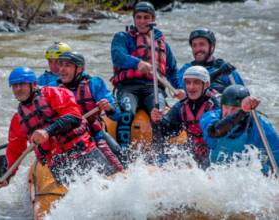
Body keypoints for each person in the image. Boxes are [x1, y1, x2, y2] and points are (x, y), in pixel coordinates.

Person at [0, 66, 115, 190]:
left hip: (83, 152)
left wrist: (47, 131)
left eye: (22, 84)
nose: (18, 89)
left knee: (108, 187)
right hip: (59, 164)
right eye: (14, 86)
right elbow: (14, 150)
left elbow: (74, 118)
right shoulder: (17, 120)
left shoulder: (55, 93)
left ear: (33, 84)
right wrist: (4, 176)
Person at [110, 1, 179, 152]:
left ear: (153, 19)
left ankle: (160, 153)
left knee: (159, 115)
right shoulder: (123, 38)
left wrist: (179, 88)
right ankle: (124, 153)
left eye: (146, 17)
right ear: (134, 19)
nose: (142, 21)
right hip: (129, 87)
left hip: (152, 88)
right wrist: (137, 63)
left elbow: (172, 70)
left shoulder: (162, 44)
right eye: (139, 17)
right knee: (127, 114)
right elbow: (118, 56)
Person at [57, 51, 124, 171]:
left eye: (67, 65)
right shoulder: (53, 89)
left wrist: (109, 107)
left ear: (79, 69)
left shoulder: (94, 84)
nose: (62, 69)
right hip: (67, 138)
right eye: (60, 65)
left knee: (121, 155)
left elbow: (117, 115)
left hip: (94, 132)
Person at [151, 66, 219, 168]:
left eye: (196, 82)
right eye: (188, 83)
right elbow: (165, 131)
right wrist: (157, 120)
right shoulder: (181, 106)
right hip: (193, 153)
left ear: (206, 85)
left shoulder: (215, 105)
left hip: (213, 154)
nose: (191, 87)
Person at [200, 85, 279, 173]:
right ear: (221, 106)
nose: (229, 113)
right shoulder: (209, 117)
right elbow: (216, 131)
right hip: (209, 169)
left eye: (234, 109)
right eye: (226, 107)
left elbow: (276, 158)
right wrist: (242, 112)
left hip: (244, 176)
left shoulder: (262, 128)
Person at [177, 27, 244, 94]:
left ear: (212, 46)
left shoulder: (226, 70)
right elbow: (185, 91)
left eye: (201, 44)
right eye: (194, 45)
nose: (197, 49)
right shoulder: (186, 70)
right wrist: (217, 73)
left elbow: (243, 96)